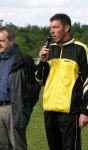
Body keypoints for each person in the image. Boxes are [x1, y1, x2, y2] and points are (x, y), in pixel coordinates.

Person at [35, 13, 88, 150]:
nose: (51, 31)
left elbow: (87, 81)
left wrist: (85, 111)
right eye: (50, 27)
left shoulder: (81, 49)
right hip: (49, 111)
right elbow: (39, 79)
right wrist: (42, 62)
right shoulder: (49, 50)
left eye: (55, 27)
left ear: (66, 27)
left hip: (70, 112)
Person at [0, 26, 40, 150]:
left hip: (14, 108)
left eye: (2, 41)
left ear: (11, 41)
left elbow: (34, 87)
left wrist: (25, 107)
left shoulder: (24, 60)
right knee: (1, 145)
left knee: (18, 146)